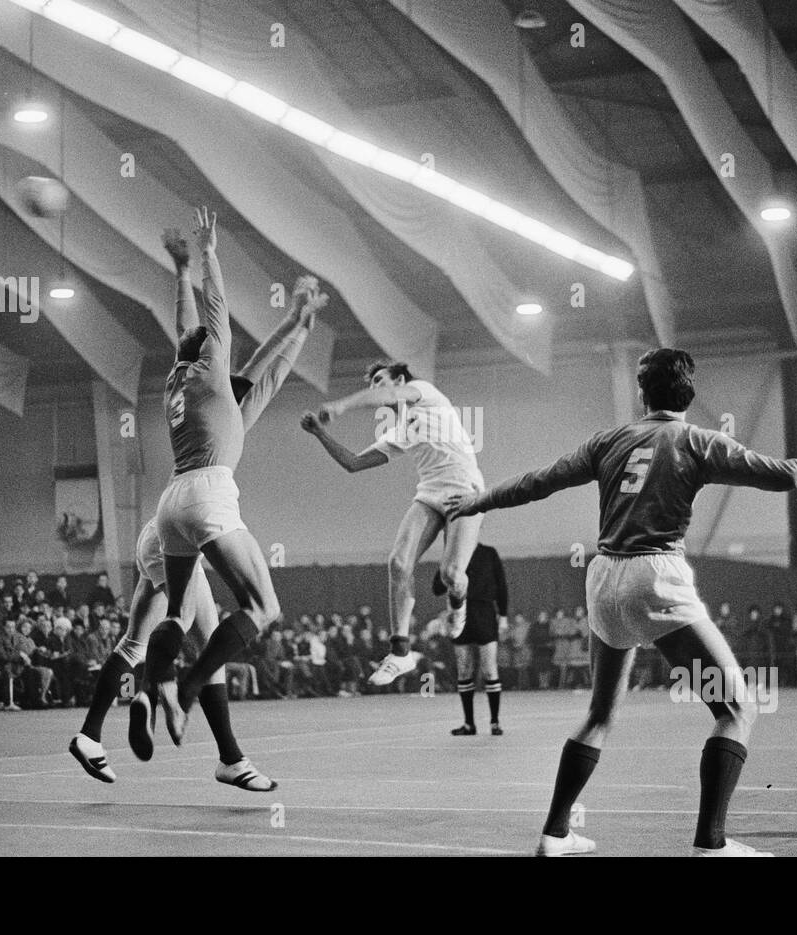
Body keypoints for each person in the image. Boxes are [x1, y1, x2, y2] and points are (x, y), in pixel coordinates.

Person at [444, 348, 797, 857]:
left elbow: (539, 482)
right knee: (736, 708)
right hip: (656, 577)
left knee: (600, 713)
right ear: (689, 394)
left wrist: (478, 500)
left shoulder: (609, 440)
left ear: (643, 395)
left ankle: (554, 834)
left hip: (603, 581)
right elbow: (787, 475)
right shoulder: (697, 440)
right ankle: (710, 845)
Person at [71, 212, 325, 792]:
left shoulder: (179, 380)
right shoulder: (216, 374)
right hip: (206, 499)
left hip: (167, 512)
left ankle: (154, 710)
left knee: (176, 621)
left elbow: (253, 361)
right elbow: (223, 326)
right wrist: (208, 255)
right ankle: (176, 693)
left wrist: (182, 270)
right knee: (248, 613)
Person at [301, 357, 485, 687]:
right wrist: (318, 433)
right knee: (398, 563)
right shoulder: (401, 431)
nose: (376, 388)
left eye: (381, 380)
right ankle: (400, 653)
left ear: (399, 379)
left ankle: (458, 605)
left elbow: (387, 396)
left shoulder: (425, 392)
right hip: (429, 493)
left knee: (452, 575)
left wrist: (341, 405)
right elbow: (354, 463)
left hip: (465, 491)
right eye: (372, 384)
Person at [433, 541, 509, 736]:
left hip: (484, 612)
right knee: (464, 670)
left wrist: (504, 616)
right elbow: (437, 588)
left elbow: (501, 585)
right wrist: (448, 573)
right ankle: (469, 724)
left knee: (490, 670)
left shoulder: (489, 552)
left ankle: (494, 721)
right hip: (460, 613)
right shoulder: (451, 553)